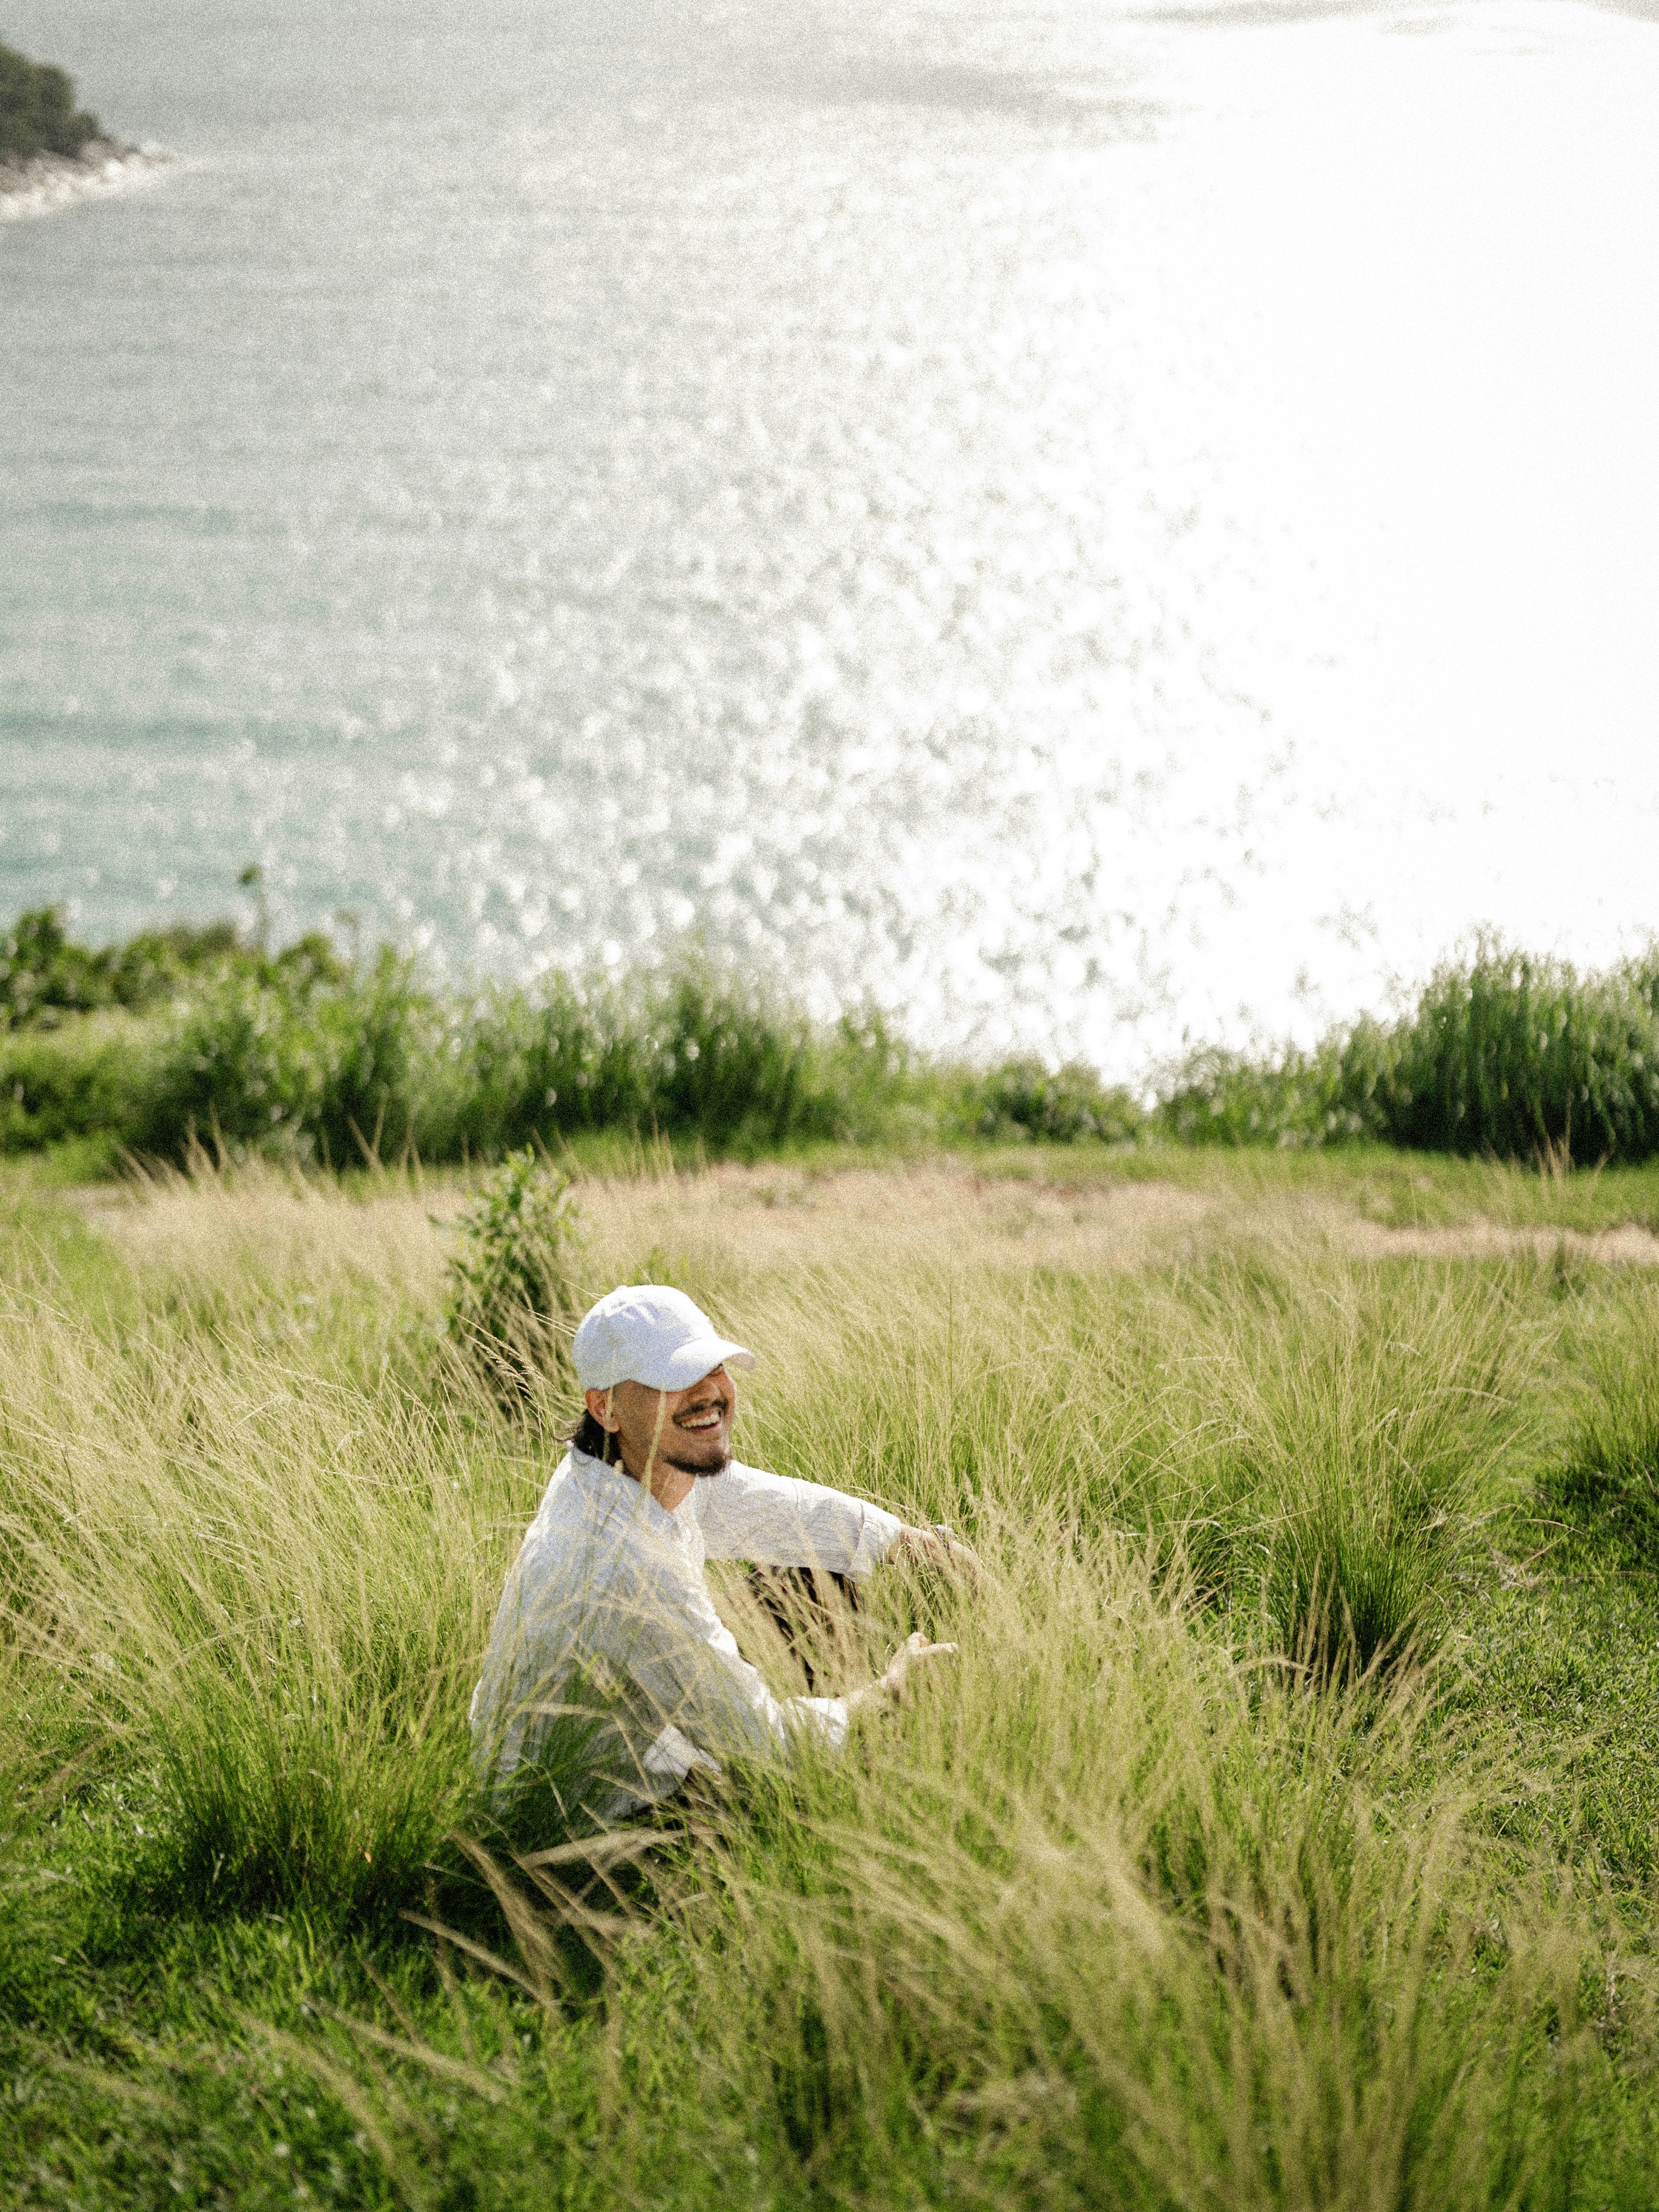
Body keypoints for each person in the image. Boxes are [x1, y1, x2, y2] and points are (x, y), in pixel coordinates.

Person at [470, 1283, 965, 1826]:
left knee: (820, 1576)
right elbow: (764, 1744)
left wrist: (907, 1542)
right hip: (598, 1828)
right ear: (605, 1407)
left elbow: (764, 1504)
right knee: (866, 1757)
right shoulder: (622, 1566)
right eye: (673, 1380)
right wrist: (890, 1691)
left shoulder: (620, 1466)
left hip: (634, 1741)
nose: (709, 1392)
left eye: (712, 1366)